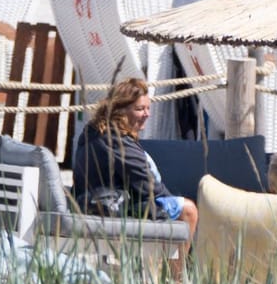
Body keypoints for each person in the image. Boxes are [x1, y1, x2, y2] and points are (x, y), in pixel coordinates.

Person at [70, 76, 197, 237]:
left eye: (148, 108)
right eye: (140, 109)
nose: (147, 114)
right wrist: (169, 198)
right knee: (188, 210)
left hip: (94, 203)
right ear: (120, 111)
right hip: (113, 207)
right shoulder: (117, 141)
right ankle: (175, 263)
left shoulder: (95, 133)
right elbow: (148, 186)